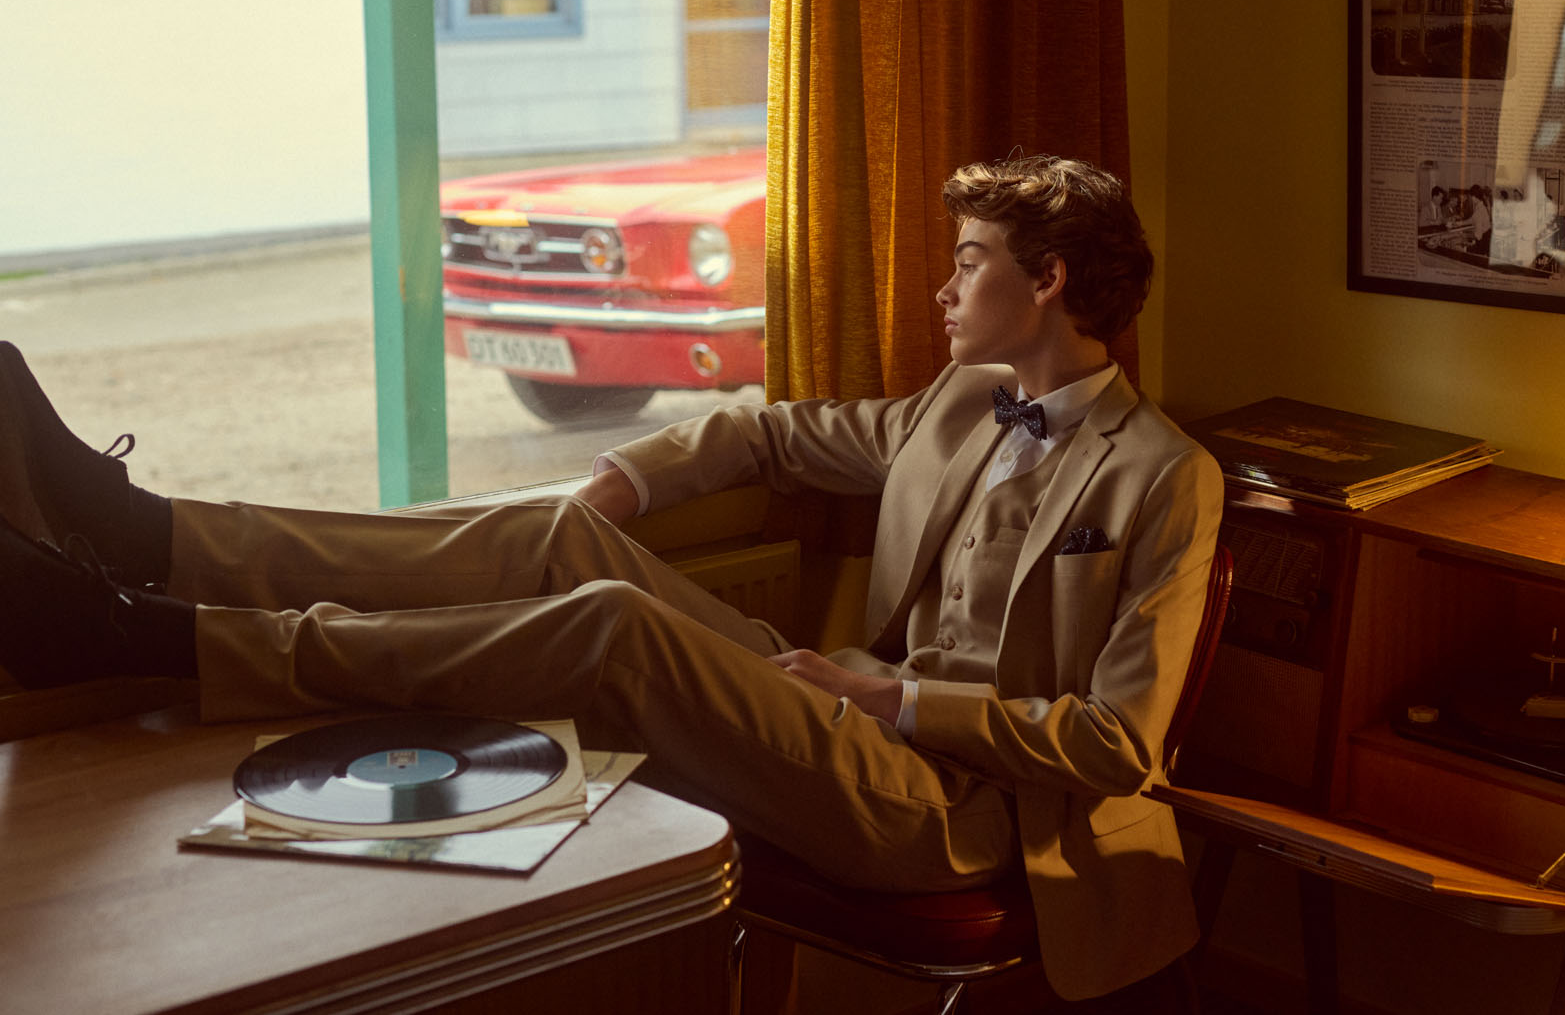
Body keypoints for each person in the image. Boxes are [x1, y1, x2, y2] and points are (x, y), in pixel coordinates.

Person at [0, 154, 1223, 1003]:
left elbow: (1120, 743)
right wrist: (624, 479)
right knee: (551, 539)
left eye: (968, 260)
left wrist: (893, 704)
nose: (943, 287)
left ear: (1049, 277)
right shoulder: (962, 401)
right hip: (838, 708)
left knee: (612, 628)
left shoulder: (1166, 474)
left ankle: (161, 639)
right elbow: (770, 433)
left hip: (960, 813)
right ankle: (150, 538)